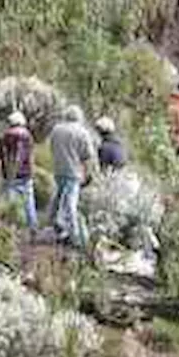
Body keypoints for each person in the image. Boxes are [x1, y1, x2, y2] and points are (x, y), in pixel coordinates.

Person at [48, 104, 98, 249]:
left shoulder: (56, 130)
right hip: (73, 173)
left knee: (57, 199)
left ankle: (54, 226)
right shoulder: (82, 132)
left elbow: (51, 147)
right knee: (70, 204)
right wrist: (89, 174)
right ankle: (74, 236)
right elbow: (87, 157)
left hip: (58, 170)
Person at [0, 110, 37, 230]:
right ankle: (33, 227)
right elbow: (30, 155)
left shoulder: (4, 136)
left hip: (10, 175)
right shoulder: (28, 136)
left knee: (9, 202)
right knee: (29, 202)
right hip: (26, 175)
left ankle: (10, 228)